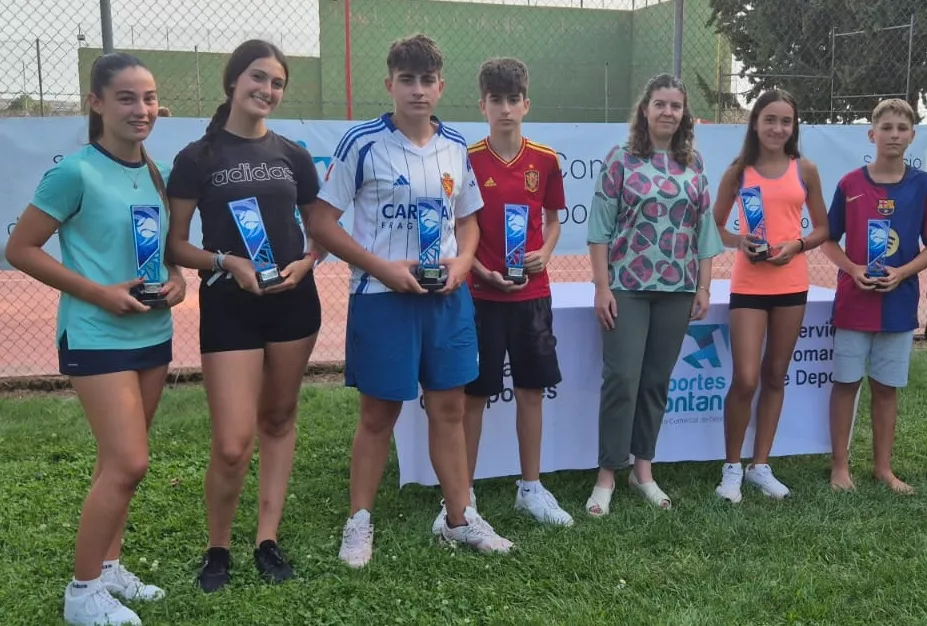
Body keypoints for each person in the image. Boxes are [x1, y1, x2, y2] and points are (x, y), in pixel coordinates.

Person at [309, 33, 513, 568]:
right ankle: (359, 522)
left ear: (441, 87)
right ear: (390, 84)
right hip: (382, 298)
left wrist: (463, 265)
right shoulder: (362, 143)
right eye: (408, 80)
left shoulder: (454, 147)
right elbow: (322, 223)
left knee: (448, 408)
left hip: (445, 300)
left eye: (427, 81)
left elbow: (468, 221)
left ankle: (459, 519)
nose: (418, 90)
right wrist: (383, 269)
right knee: (379, 414)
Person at [6, 53, 184, 626]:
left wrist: (177, 282)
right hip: (96, 333)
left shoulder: (152, 170)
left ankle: (110, 568)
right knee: (129, 463)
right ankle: (82, 594)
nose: (142, 109)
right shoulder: (75, 171)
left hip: (152, 332)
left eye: (150, 97)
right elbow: (21, 249)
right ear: (97, 103)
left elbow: (162, 254)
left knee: (119, 460)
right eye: (128, 98)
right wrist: (98, 292)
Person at [165, 39, 324, 593]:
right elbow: (175, 245)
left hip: (293, 304)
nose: (267, 90)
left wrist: (308, 262)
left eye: (277, 82)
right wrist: (225, 261)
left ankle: (267, 539)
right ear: (233, 82)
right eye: (259, 78)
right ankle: (217, 548)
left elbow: (318, 231)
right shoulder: (196, 158)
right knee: (233, 442)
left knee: (278, 420)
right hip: (229, 305)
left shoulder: (294, 154)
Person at [439, 56, 572, 530]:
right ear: (482, 105)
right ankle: (465, 495)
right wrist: (478, 268)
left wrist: (545, 253)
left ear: (526, 104)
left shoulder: (546, 161)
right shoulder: (466, 159)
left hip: (532, 295)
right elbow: (456, 230)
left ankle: (530, 489)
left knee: (531, 392)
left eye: (513, 99)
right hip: (480, 295)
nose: (505, 109)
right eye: (496, 100)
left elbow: (554, 221)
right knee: (474, 397)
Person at [585, 73, 723, 516]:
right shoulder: (620, 160)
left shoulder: (694, 164)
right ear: (645, 109)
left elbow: (704, 231)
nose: (667, 112)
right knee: (622, 378)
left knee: (656, 382)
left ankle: (642, 470)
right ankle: (608, 472)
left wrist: (704, 286)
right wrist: (602, 286)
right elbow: (599, 230)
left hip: (678, 289)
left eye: (675, 106)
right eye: (659, 104)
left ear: (684, 115)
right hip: (626, 287)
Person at [712, 89, 829, 503]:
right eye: (770, 120)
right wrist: (740, 241)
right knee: (745, 378)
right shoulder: (739, 170)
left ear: (794, 127)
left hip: (792, 286)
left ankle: (760, 465)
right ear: (756, 123)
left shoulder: (806, 170)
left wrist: (796, 246)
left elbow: (821, 228)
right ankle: (731, 469)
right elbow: (716, 227)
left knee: (775, 375)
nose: (778, 128)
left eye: (786, 121)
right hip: (748, 285)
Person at [822, 98, 927, 494]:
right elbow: (829, 240)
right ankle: (839, 467)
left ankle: (883, 468)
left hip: (898, 305)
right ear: (872, 134)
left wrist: (901, 272)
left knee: (886, 388)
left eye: (903, 128)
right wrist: (853, 269)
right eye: (887, 127)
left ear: (912, 137)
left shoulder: (922, 184)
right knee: (846, 383)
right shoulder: (850, 184)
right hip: (854, 302)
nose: (894, 134)